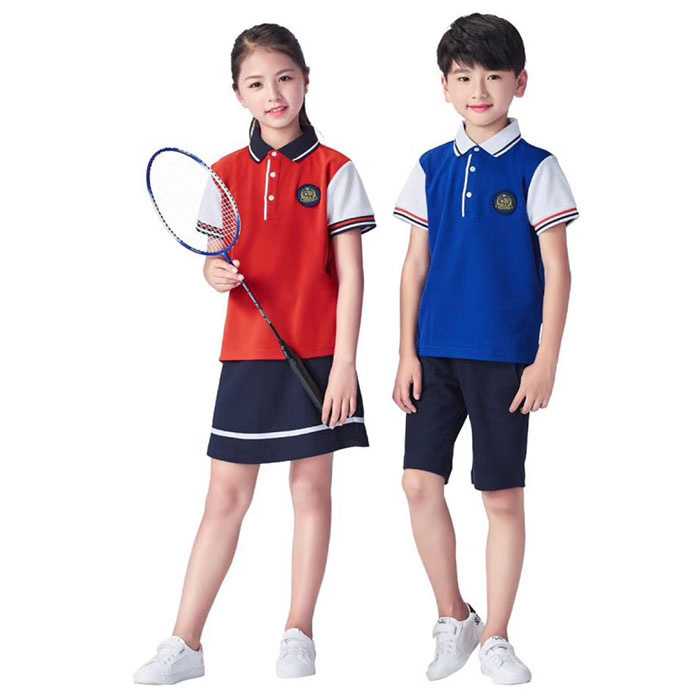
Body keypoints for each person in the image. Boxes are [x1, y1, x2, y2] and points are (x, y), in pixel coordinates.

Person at [134, 23, 375, 684]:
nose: (274, 94)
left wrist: (346, 365)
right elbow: (216, 258)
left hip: (319, 358)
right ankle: (185, 642)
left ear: (306, 80)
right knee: (224, 498)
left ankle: (299, 632)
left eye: (285, 78)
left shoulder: (335, 170)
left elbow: (352, 276)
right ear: (238, 93)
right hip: (245, 355)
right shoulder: (222, 174)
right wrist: (212, 272)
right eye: (257, 83)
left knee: (311, 490)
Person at [393, 13, 579, 685]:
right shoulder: (430, 167)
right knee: (418, 484)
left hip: (505, 358)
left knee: (500, 497)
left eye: (494, 76)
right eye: (464, 76)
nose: (479, 90)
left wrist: (545, 360)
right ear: (444, 86)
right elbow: (414, 266)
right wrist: (406, 353)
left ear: (519, 83)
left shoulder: (537, 168)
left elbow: (558, 269)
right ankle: (455, 616)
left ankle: (497, 635)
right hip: (435, 354)